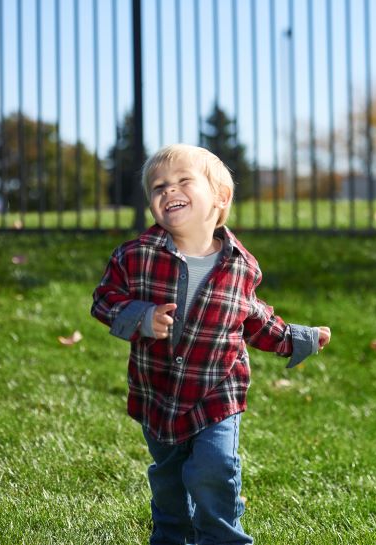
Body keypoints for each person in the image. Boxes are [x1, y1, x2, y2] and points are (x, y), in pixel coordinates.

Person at [91, 143, 331, 544]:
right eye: (158, 187)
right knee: (169, 478)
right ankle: (172, 536)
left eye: (183, 181)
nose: (169, 190)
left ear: (220, 197)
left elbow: (254, 319)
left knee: (214, 468)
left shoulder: (241, 265)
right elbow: (103, 300)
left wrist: (297, 339)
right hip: (159, 393)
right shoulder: (135, 256)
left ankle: (223, 537)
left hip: (217, 393)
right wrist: (141, 317)